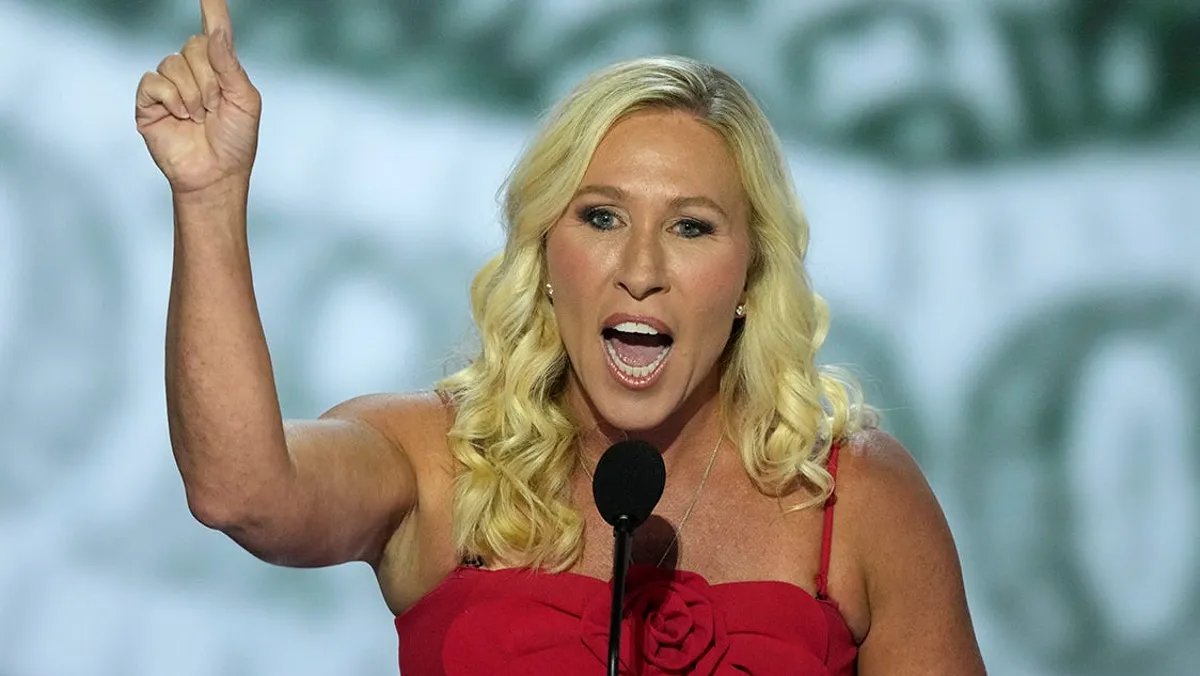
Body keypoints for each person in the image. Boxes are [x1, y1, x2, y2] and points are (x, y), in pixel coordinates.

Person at [136, 1, 987, 673]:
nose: (641, 267)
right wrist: (209, 198)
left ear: (748, 279)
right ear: (547, 254)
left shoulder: (855, 497)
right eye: (602, 217)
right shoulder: (436, 458)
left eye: (692, 227)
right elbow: (240, 491)